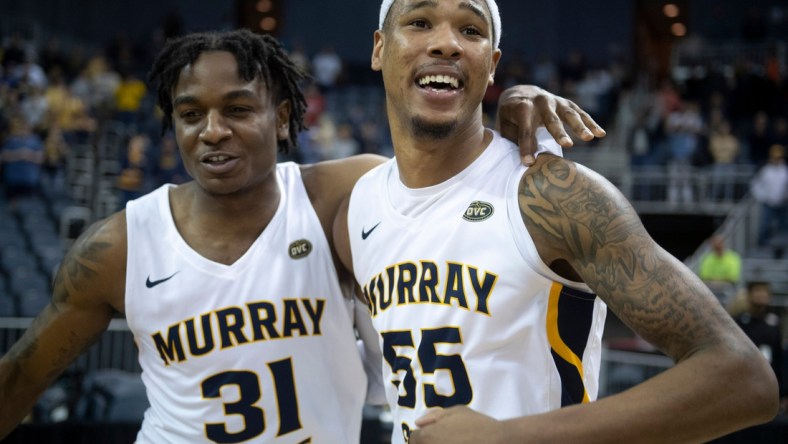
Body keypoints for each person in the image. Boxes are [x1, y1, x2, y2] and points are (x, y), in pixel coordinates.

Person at [0, 28, 605, 442]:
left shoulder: (340, 196)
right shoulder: (119, 247)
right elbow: (22, 377)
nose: (212, 131)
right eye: (190, 115)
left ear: (283, 116)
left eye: (238, 110)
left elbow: (446, 168)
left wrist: (515, 100)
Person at [334, 1, 779, 443]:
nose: (447, 43)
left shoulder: (551, 194)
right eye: (419, 22)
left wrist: (509, 438)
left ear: (491, 66)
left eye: (470, 30)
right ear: (378, 49)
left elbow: (743, 377)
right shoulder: (358, 209)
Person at [730, 282, 786, 413]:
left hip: (769, 381)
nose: (761, 295)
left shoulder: (774, 322)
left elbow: (780, 356)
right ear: (749, 295)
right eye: (757, 291)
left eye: (764, 292)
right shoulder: (739, 322)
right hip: (744, 379)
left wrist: (783, 391)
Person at [751, 143, 788, 247]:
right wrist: (763, 197)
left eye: (779, 157)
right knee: (764, 225)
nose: (777, 160)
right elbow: (755, 185)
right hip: (768, 203)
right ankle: (761, 245)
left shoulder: (785, 170)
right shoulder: (765, 170)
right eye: (775, 157)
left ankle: (783, 247)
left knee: (785, 226)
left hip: (783, 203)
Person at [697, 233, 742, 304]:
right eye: (715, 245)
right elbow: (704, 277)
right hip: (710, 289)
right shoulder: (707, 259)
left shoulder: (733, 258)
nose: (717, 246)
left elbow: (733, 278)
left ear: (724, 244)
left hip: (728, 289)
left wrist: (714, 281)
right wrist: (720, 280)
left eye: (719, 244)